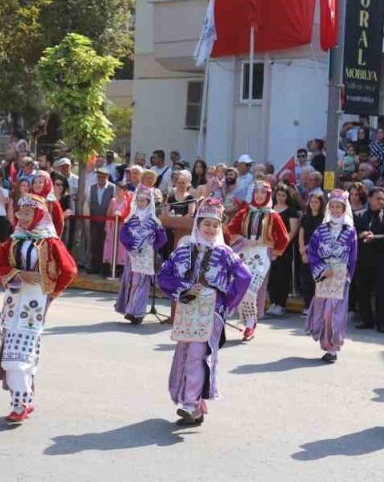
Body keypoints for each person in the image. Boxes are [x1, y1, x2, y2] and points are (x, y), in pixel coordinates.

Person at [157, 197, 252, 427]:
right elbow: (164, 276)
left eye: (215, 225)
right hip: (188, 311)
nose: (210, 228)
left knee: (197, 355)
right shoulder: (183, 250)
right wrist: (182, 291)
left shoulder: (225, 253)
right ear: (197, 224)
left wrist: (227, 300)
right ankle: (195, 405)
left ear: (220, 227)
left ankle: (190, 404)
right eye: (206, 223)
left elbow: (244, 276)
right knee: (185, 353)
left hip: (212, 311)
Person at [0, 194, 77, 424]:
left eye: (28, 213)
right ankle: (23, 402)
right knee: (11, 357)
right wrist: (18, 274)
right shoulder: (14, 240)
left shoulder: (49, 242)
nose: (23, 217)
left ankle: (20, 404)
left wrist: (51, 292)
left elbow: (69, 270)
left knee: (21, 357)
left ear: (39, 214)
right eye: (21, 213)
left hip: (35, 304)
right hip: (13, 302)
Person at [225, 180, 290, 341]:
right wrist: (242, 239)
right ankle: (243, 320)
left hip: (261, 255)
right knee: (237, 286)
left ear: (268, 195)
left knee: (250, 289)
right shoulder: (245, 212)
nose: (259, 196)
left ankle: (250, 322)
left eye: (263, 193)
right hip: (243, 252)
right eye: (257, 192)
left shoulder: (273, 215)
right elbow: (230, 229)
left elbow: (283, 237)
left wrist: (274, 252)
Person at [304, 190, 358, 363]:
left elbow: (353, 256)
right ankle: (325, 344)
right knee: (322, 310)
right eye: (332, 206)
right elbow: (312, 252)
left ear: (344, 208)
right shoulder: (320, 230)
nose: (335, 210)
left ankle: (333, 349)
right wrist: (322, 269)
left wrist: (348, 274)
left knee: (332, 312)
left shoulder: (350, 232)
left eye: (338, 207)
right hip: (324, 275)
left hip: (340, 277)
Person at [115, 186, 168, 324]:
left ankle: (137, 313)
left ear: (148, 201)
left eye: (143, 201)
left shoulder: (154, 221)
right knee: (132, 282)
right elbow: (123, 235)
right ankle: (129, 309)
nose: (140, 203)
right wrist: (132, 245)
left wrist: (150, 247)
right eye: (137, 200)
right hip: (133, 256)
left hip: (146, 257)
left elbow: (162, 238)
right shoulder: (131, 218)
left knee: (142, 284)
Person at [353, 186, 384, 333]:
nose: (381, 201)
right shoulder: (358, 215)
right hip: (362, 260)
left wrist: (373, 237)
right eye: (378, 198)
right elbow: (353, 233)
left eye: (383, 199)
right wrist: (361, 235)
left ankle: (381, 322)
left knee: (381, 294)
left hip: (380, 261)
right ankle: (366, 320)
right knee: (362, 292)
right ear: (370, 199)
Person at [265, 184, 301, 318]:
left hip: (284, 249)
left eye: (283, 195)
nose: (280, 198)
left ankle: (281, 304)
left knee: (282, 276)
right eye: (278, 195)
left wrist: (282, 245)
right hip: (269, 246)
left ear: (288, 197)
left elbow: (293, 231)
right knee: (272, 276)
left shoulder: (291, 211)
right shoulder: (269, 209)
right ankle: (273, 302)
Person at [296, 191, 326, 314]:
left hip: (317, 253)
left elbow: (320, 237)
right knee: (306, 280)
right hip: (305, 253)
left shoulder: (323, 219)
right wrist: (302, 250)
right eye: (312, 202)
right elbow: (301, 233)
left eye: (316, 202)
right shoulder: (305, 217)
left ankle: (316, 306)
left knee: (316, 280)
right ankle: (307, 305)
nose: (313, 204)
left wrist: (308, 248)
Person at [86, 166, 116, 275]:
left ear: (107, 177)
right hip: (94, 220)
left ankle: (106, 268)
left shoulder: (112, 188)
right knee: (95, 243)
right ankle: (95, 267)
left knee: (106, 244)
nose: (101, 179)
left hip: (107, 221)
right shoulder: (92, 187)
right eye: (99, 177)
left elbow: (114, 204)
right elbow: (89, 203)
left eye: (103, 177)